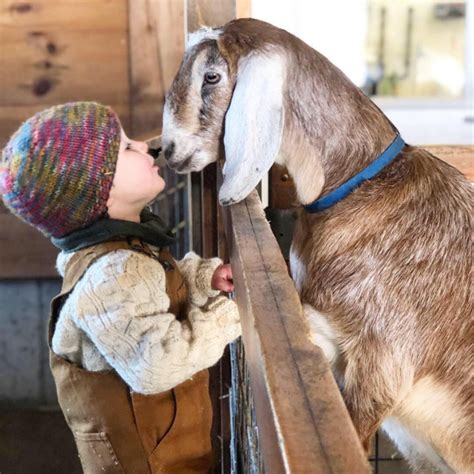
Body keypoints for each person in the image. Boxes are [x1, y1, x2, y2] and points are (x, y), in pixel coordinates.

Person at [0, 102, 241, 473]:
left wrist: (200, 279)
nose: (146, 147)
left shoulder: (122, 254)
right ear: (98, 193)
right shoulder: (113, 273)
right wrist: (230, 317)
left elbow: (152, 295)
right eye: (127, 147)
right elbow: (154, 363)